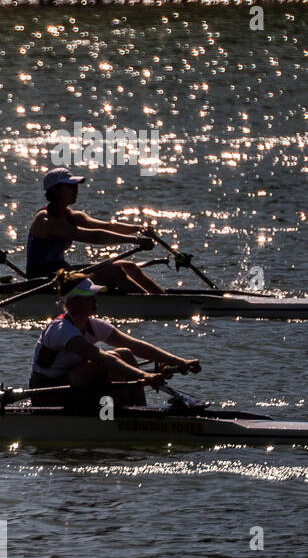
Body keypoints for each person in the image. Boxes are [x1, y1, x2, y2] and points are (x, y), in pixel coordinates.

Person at [29, 274, 200, 409]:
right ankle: (121, 413)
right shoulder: (61, 329)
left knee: (125, 353)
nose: (95, 300)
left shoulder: (93, 325)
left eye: (95, 295)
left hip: (75, 387)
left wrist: (181, 362)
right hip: (48, 393)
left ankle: (139, 410)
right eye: (89, 296)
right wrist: (144, 376)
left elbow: (135, 346)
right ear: (73, 302)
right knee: (104, 363)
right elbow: (101, 357)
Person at [26, 167, 163, 293]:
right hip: (44, 280)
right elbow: (94, 237)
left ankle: (163, 299)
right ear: (55, 190)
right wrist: (136, 241)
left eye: (76, 186)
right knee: (114, 271)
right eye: (70, 186)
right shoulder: (45, 220)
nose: (75, 190)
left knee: (129, 266)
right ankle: (151, 307)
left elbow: (107, 227)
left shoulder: (72, 216)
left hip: (63, 272)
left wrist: (139, 228)